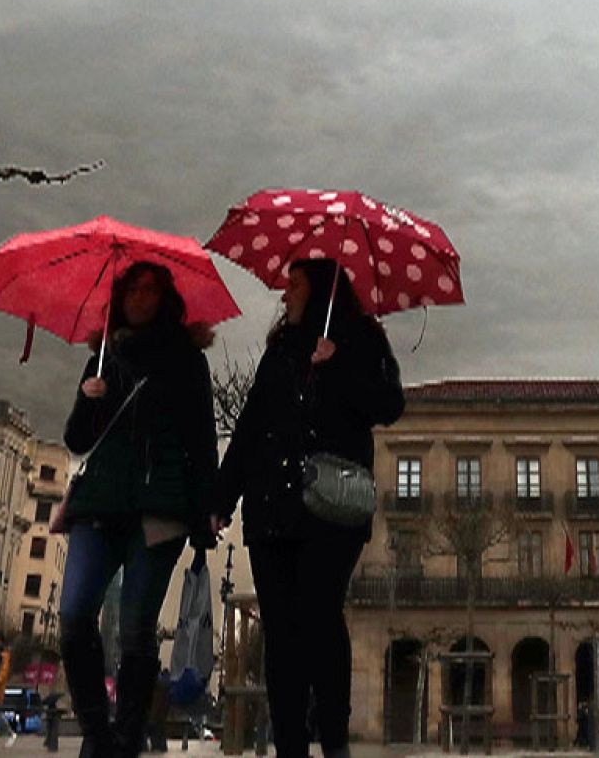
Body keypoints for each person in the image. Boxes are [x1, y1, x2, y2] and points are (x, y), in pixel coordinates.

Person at [213, 259, 404, 758]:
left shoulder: (361, 338)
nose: (284, 295)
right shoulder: (280, 351)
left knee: (320, 615)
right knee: (280, 632)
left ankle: (334, 741)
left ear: (320, 290)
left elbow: (389, 403)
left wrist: (337, 363)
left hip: (332, 506)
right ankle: (291, 746)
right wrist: (219, 500)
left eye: (293, 285)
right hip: (272, 507)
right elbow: (253, 425)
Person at [55, 261, 219, 758]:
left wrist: (207, 507)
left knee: (135, 630)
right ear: (119, 296)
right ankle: (96, 732)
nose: (139, 298)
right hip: (102, 503)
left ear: (165, 299)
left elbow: (201, 439)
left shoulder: (187, 361)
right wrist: (90, 399)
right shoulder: (104, 354)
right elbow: (77, 438)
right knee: (74, 616)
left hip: (159, 507)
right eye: (131, 289)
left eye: (150, 290)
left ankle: (125, 738)